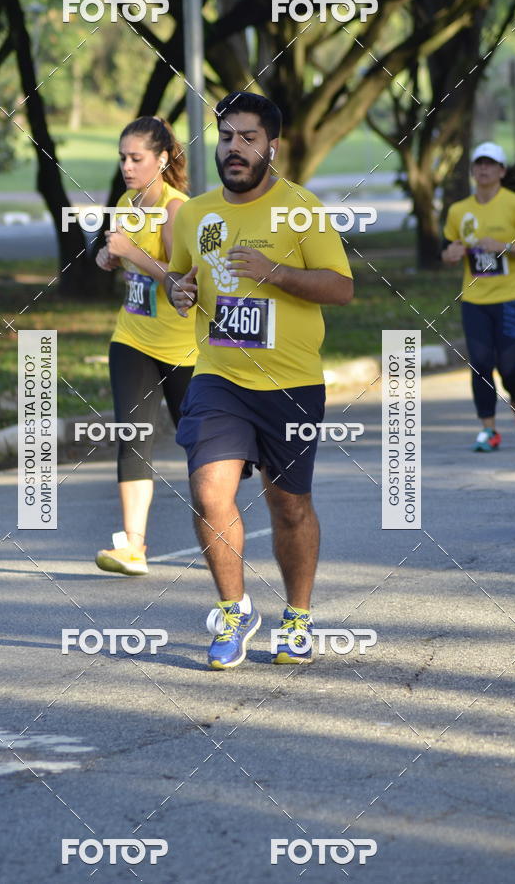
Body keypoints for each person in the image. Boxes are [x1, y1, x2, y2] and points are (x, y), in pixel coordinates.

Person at [164, 91, 353, 669]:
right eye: (226, 137)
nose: (234, 148)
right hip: (219, 377)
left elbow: (341, 287)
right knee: (209, 492)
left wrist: (275, 273)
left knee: (289, 506)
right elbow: (179, 280)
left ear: (272, 145)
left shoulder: (301, 209)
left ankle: (297, 616)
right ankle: (234, 609)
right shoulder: (195, 214)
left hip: (291, 384)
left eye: (248, 138)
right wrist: (178, 291)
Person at [95, 116, 196, 574]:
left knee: (200, 446)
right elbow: (126, 264)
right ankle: (133, 547)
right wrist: (110, 257)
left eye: (136, 158)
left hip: (183, 350)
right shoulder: (125, 203)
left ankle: (220, 532)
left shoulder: (177, 211)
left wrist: (131, 253)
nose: (127, 167)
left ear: (161, 159)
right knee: (132, 437)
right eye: (122, 158)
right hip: (132, 337)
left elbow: (182, 284)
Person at [442, 141, 515, 452]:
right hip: (475, 300)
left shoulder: (514, 204)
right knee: (481, 364)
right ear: (472, 170)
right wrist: (451, 254)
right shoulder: (458, 210)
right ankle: (488, 430)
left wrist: (504, 247)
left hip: (512, 297)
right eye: (479, 164)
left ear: (501, 171)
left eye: (490, 164)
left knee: (511, 368)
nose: (483, 169)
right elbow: (448, 249)